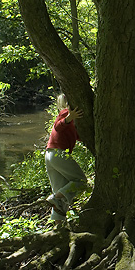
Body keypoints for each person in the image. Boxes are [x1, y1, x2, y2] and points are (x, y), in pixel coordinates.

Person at [45, 94, 87, 222]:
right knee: (80, 181)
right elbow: (58, 126)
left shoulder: (71, 119)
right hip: (58, 153)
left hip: (50, 154)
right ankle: (55, 197)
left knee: (60, 195)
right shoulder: (65, 113)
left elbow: (77, 135)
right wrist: (69, 117)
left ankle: (58, 228)